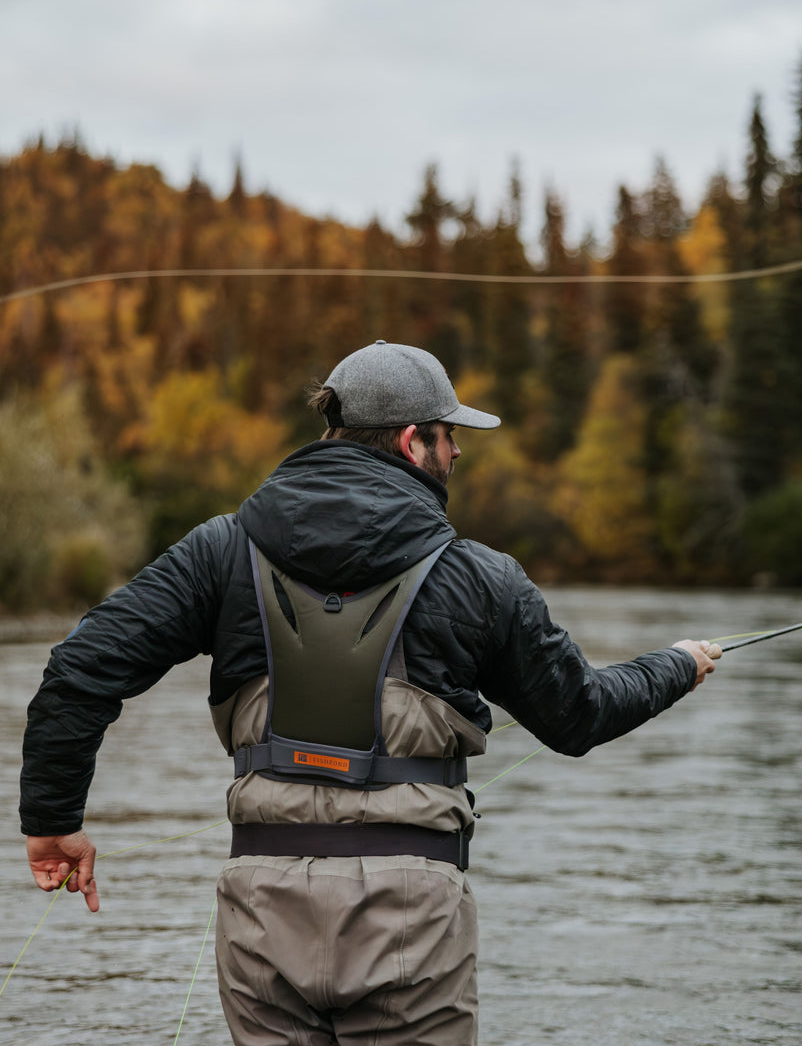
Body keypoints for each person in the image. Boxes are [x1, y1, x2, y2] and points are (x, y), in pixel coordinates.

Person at [21, 339, 718, 1045]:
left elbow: (80, 668)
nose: (457, 455)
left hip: (262, 908)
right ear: (415, 441)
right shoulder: (481, 577)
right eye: (450, 438)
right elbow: (580, 716)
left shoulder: (221, 550)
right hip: (412, 912)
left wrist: (52, 821)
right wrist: (678, 664)